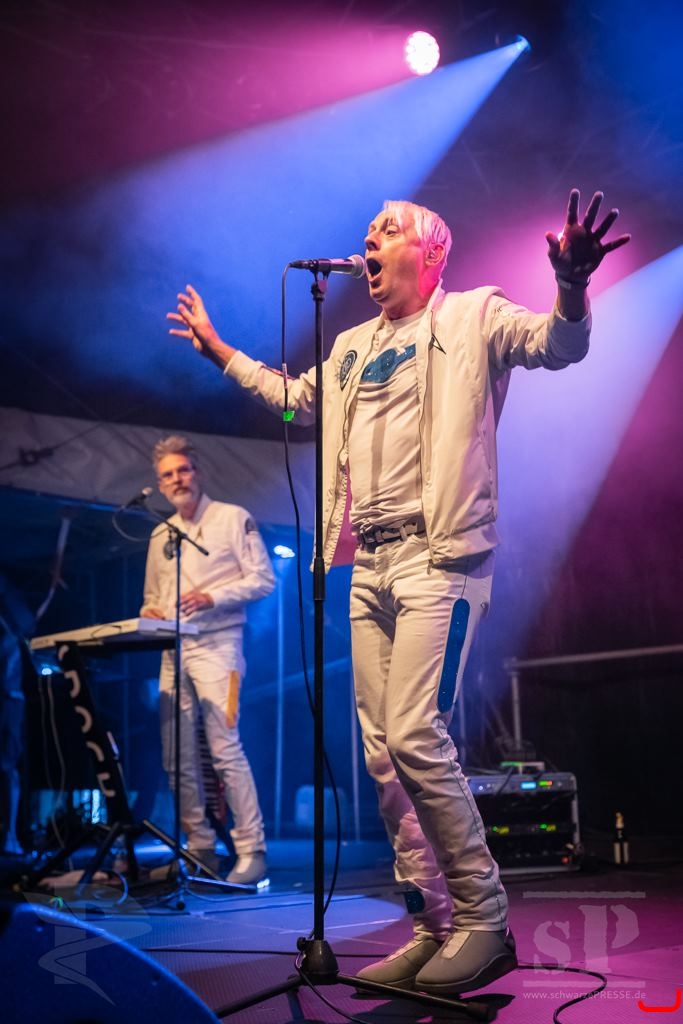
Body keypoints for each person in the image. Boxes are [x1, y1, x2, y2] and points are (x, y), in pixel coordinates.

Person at [166, 190, 629, 993]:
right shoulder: (349, 348)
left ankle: (484, 918)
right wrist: (218, 351)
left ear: (431, 252)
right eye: (368, 232)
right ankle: (431, 924)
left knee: (415, 735)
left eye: (387, 230)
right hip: (368, 566)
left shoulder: (474, 316)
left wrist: (570, 284)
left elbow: (558, 346)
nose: (370, 241)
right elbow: (294, 399)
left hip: (440, 560)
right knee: (382, 757)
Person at [140, 435, 275, 885]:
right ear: (160, 484)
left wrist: (212, 596)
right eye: (167, 475)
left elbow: (263, 580)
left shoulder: (232, 518)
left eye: (183, 470)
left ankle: (252, 849)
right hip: (172, 648)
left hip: (219, 644)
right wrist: (151, 611)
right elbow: (151, 597)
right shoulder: (160, 534)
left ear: (196, 472)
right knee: (175, 755)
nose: (177, 479)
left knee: (224, 748)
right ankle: (198, 847)